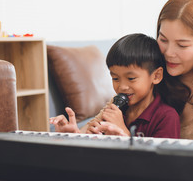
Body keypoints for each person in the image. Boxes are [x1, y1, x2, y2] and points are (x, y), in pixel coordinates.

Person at [88, 0, 193, 142]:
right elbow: (96, 124)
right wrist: (71, 133)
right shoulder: (153, 69)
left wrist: (126, 138)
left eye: (182, 45)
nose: (168, 53)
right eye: (163, 39)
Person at [49, 33, 181, 139]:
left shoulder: (166, 117)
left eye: (131, 78)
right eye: (115, 78)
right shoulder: (114, 107)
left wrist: (123, 133)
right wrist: (74, 136)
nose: (122, 87)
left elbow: (160, 167)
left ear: (156, 76)